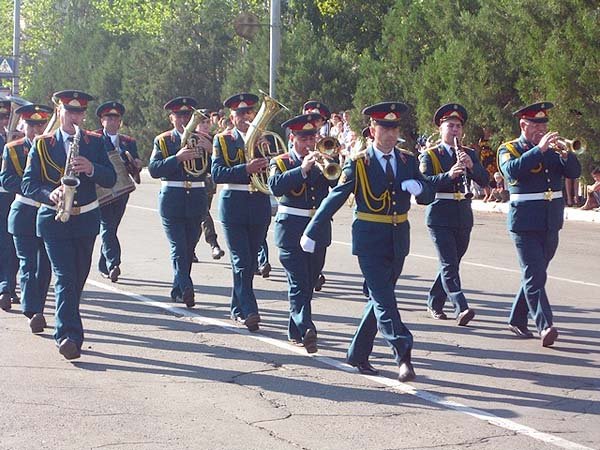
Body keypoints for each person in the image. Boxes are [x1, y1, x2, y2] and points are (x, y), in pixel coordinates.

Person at [301, 101, 434, 382]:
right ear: (372, 130)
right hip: (370, 240)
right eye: (384, 127)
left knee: (378, 300)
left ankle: (357, 353)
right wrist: (312, 230)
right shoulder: (359, 162)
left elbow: (428, 194)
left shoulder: (408, 160)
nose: (389, 133)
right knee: (386, 301)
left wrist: (420, 187)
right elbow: (336, 197)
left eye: (394, 127)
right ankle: (403, 353)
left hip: (398, 239)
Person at [21, 90, 117, 359]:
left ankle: (68, 330)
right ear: (59, 112)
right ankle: (68, 337)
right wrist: (48, 193)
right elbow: (29, 183)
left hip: (85, 217)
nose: (75, 117)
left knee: (78, 279)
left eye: (79, 112)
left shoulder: (94, 142)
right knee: (64, 277)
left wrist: (92, 168)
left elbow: (111, 178)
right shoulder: (43, 143)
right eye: (70, 111)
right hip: (53, 219)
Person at [498, 101, 581, 347]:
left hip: (550, 220)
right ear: (523, 124)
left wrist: (568, 155)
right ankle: (545, 325)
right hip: (524, 222)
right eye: (536, 125)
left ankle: (516, 318)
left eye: (544, 124)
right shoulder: (509, 148)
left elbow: (574, 173)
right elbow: (510, 171)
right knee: (534, 274)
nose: (541, 129)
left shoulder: (555, 150)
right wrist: (538, 150)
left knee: (536, 274)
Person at [268, 113, 339, 353]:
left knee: (308, 284)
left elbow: (337, 184)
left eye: (313, 137)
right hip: (290, 230)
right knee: (298, 282)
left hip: (318, 230)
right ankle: (307, 328)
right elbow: (275, 186)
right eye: (304, 138)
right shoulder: (281, 161)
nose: (310, 143)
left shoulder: (324, 160)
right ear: (292, 138)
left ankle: (295, 329)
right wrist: (302, 169)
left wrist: (333, 162)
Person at [419, 103, 489, 326]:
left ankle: (434, 302)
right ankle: (461, 306)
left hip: (463, 215)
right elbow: (425, 184)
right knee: (449, 263)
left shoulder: (469, 153)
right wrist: (448, 175)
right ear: (441, 128)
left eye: (458, 126)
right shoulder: (430, 155)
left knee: (452, 263)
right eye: (450, 126)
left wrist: (472, 167)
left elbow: (485, 180)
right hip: (439, 215)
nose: (455, 130)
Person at [211, 92, 271, 332]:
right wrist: (245, 167)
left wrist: (268, 155)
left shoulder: (265, 139)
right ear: (232, 118)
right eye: (240, 114)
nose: (246, 117)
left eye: (249, 113)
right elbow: (217, 174)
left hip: (258, 203)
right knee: (242, 261)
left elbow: (275, 171)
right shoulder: (223, 140)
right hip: (233, 202)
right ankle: (250, 310)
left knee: (248, 262)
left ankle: (237, 307)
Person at [148, 96, 209, 308]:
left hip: (196, 199)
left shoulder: (202, 139)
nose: (183, 119)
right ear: (171, 118)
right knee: (178, 247)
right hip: (172, 199)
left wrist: (211, 149)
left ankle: (177, 289)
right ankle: (186, 286)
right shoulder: (163, 140)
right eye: (179, 115)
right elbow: (155, 169)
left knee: (189, 246)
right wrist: (177, 158)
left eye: (187, 115)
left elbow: (215, 171)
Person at [0, 104, 53, 327]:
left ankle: (38, 305)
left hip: (48, 212)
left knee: (46, 265)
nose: (36, 130)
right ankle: (32, 310)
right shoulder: (13, 149)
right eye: (32, 125)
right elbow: (6, 179)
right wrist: (32, 188)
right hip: (24, 210)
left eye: (40, 125)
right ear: (24, 125)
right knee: (28, 263)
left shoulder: (53, 147)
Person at [95, 101, 142, 282]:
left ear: (120, 121)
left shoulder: (128, 142)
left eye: (115, 119)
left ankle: (104, 264)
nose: (112, 122)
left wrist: (136, 163)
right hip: (102, 190)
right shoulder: (94, 138)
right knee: (107, 225)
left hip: (122, 190)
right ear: (102, 121)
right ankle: (114, 263)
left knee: (111, 227)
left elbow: (136, 163)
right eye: (109, 118)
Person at [192, 108, 225, 262]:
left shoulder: (214, 139)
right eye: (201, 122)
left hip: (209, 183)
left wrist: (211, 150)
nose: (205, 125)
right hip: (194, 183)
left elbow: (222, 161)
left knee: (201, 215)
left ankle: (190, 248)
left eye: (206, 122)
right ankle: (213, 243)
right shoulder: (191, 138)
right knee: (203, 213)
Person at [0, 99, 19, 310]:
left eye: (6, 117)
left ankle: (7, 286)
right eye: (2, 118)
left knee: (9, 243)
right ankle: (6, 286)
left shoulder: (14, 142)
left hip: (10, 196)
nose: (4, 121)